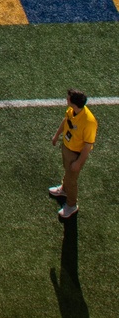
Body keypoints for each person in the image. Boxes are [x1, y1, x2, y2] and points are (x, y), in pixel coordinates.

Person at [49, 89, 97, 221]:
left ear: (73, 103)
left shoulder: (89, 121)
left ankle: (71, 204)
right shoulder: (72, 111)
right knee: (67, 172)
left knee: (72, 179)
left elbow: (88, 146)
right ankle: (64, 189)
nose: (66, 99)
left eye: (68, 98)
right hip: (67, 147)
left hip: (76, 153)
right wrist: (57, 135)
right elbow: (66, 121)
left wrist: (78, 162)